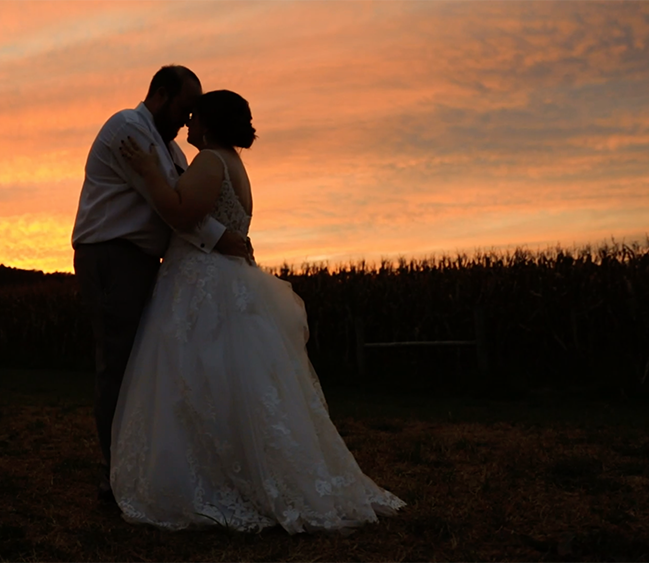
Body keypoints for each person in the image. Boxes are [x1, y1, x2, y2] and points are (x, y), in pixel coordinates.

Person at [111, 90, 405, 533]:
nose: (188, 125)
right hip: (223, 277)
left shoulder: (211, 160)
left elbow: (181, 213)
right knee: (230, 383)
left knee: (195, 379)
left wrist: (151, 172)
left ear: (208, 125)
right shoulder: (234, 164)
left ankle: (212, 481)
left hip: (203, 283)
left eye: (195, 119)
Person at [71, 66, 252, 503]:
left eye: (196, 113)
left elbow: (183, 203)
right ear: (161, 93)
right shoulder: (128, 130)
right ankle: (116, 472)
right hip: (112, 253)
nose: (189, 119)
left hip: (143, 257)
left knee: (143, 364)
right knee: (118, 361)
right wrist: (224, 240)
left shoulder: (170, 148)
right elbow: (171, 206)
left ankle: (144, 464)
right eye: (185, 108)